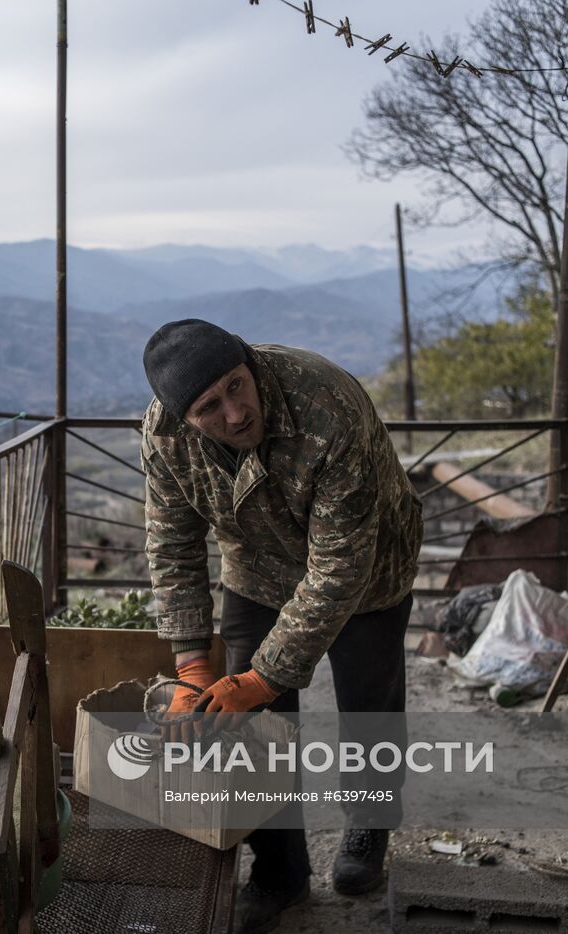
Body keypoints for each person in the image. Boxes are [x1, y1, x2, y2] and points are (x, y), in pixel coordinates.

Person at [139, 318, 423, 933]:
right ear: (181, 416)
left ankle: (368, 826)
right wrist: (192, 664)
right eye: (210, 407)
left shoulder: (326, 403)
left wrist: (266, 675)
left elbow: (341, 564)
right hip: (257, 567)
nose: (235, 414)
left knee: (368, 701)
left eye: (238, 387)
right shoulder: (164, 439)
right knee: (254, 724)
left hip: (368, 568)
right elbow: (174, 547)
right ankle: (280, 872)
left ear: (249, 364)